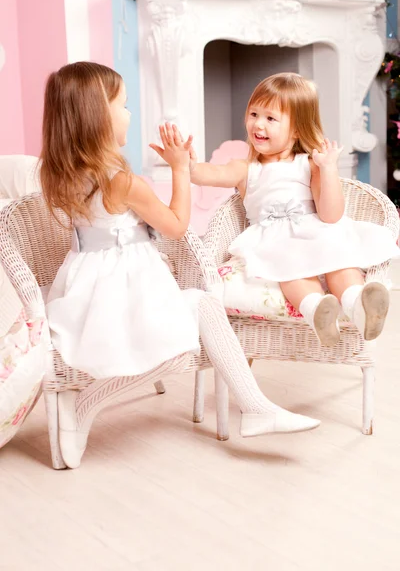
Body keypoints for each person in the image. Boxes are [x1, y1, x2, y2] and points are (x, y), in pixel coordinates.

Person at [39, 63, 319, 468]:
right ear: (98, 117)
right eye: (124, 105)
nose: (130, 115)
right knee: (183, 344)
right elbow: (175, 225)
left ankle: (257, 407)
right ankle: (88, 405)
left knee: (204, 306)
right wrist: (179, 169)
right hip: (121, 290)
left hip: (87, 285)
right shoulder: (122, 182)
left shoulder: (59, 172)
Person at [189, 72, 399, 347]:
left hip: (315, 230)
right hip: (273, 238)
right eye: (253, 114)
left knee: (339, 259)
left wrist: (328, 169)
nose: (258, 124)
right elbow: (210, 174)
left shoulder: (308, 163)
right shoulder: (245, 168)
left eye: (270, 118)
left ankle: (358, 305)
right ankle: (317, 311)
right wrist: (189, 165)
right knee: (290, 268)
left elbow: (331, 214)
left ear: (297, 128)